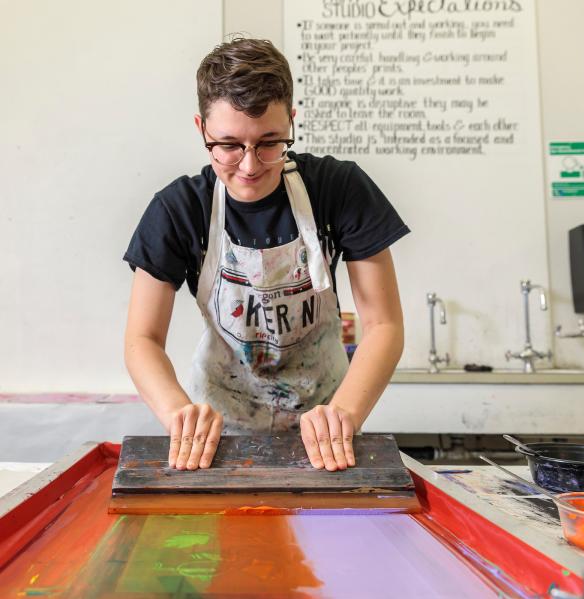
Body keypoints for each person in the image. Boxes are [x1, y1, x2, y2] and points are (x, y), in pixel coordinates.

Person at [123, 38, 409, 473]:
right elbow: (141, 340)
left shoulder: (339, 189)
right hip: (218, 435)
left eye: (270, 142)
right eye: (229, 145)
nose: (250, 165)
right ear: (202, 129)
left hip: (328, 427)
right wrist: (178, 413)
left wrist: (344, 414)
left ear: (291, 121)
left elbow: (384, 324)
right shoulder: (179, 209)